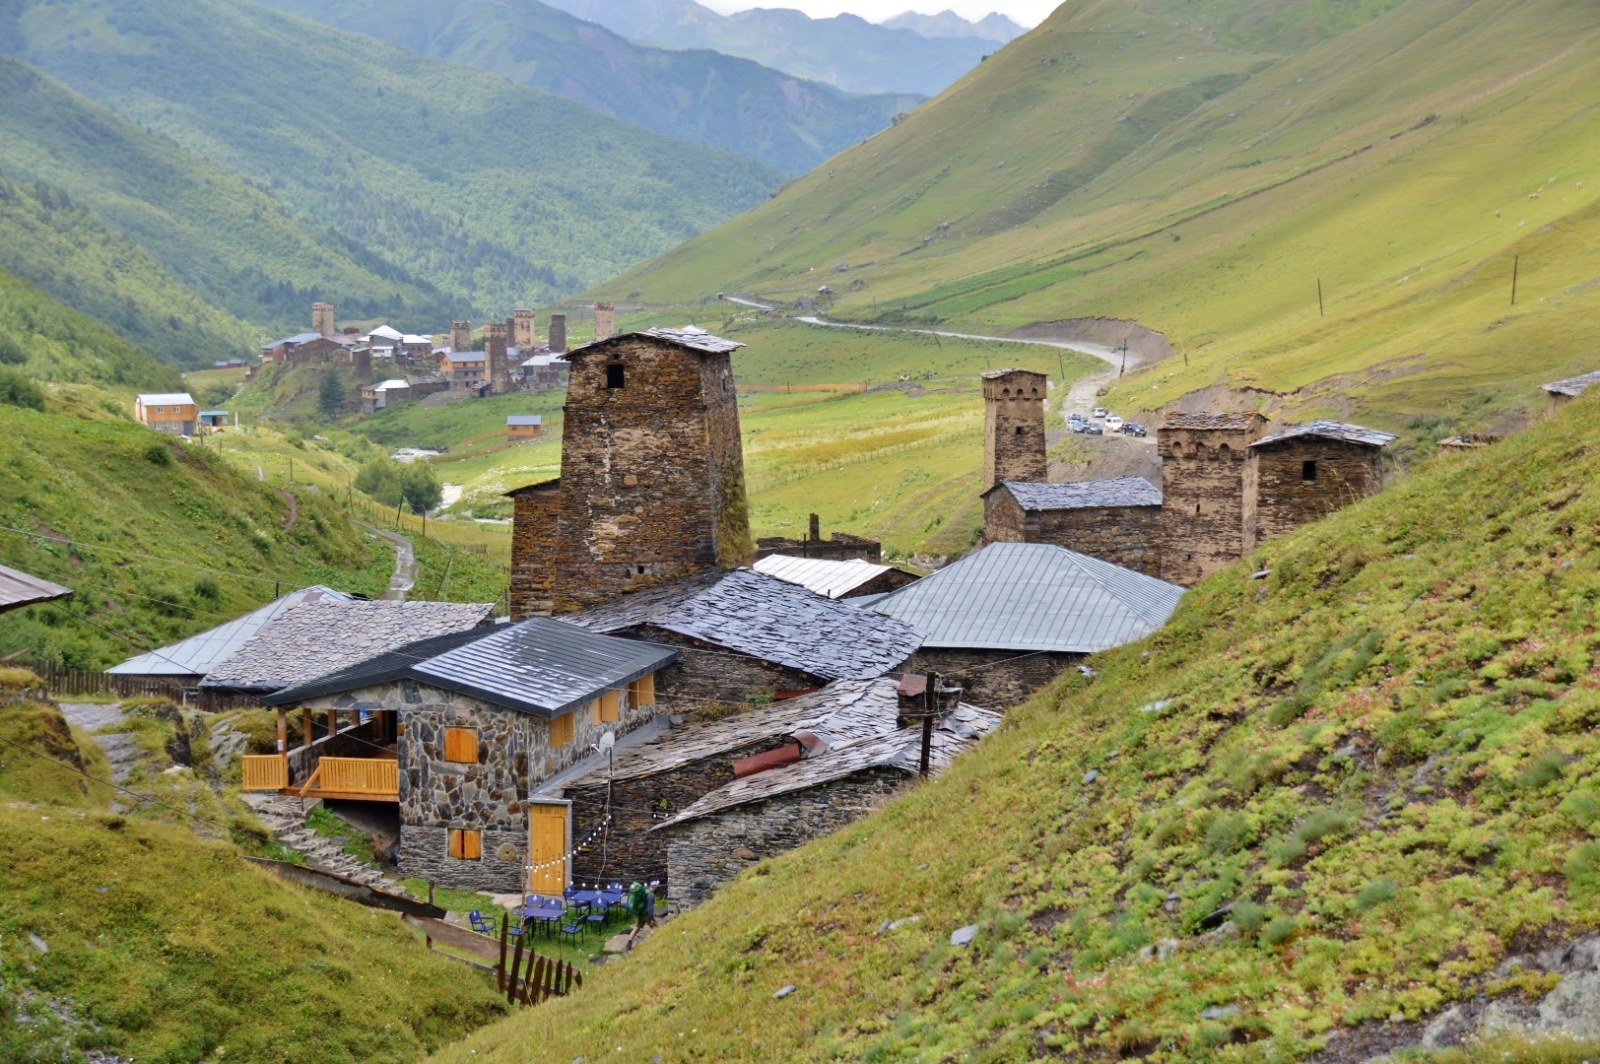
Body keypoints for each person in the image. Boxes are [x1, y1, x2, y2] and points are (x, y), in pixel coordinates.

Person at [625, 881, 650, 950]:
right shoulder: (641, 892)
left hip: (638, 913)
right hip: (644, 913)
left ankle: (629, 942)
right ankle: (654, 939)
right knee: (654, 926)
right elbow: (646, 893)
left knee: (636, 927)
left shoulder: (633, 893)